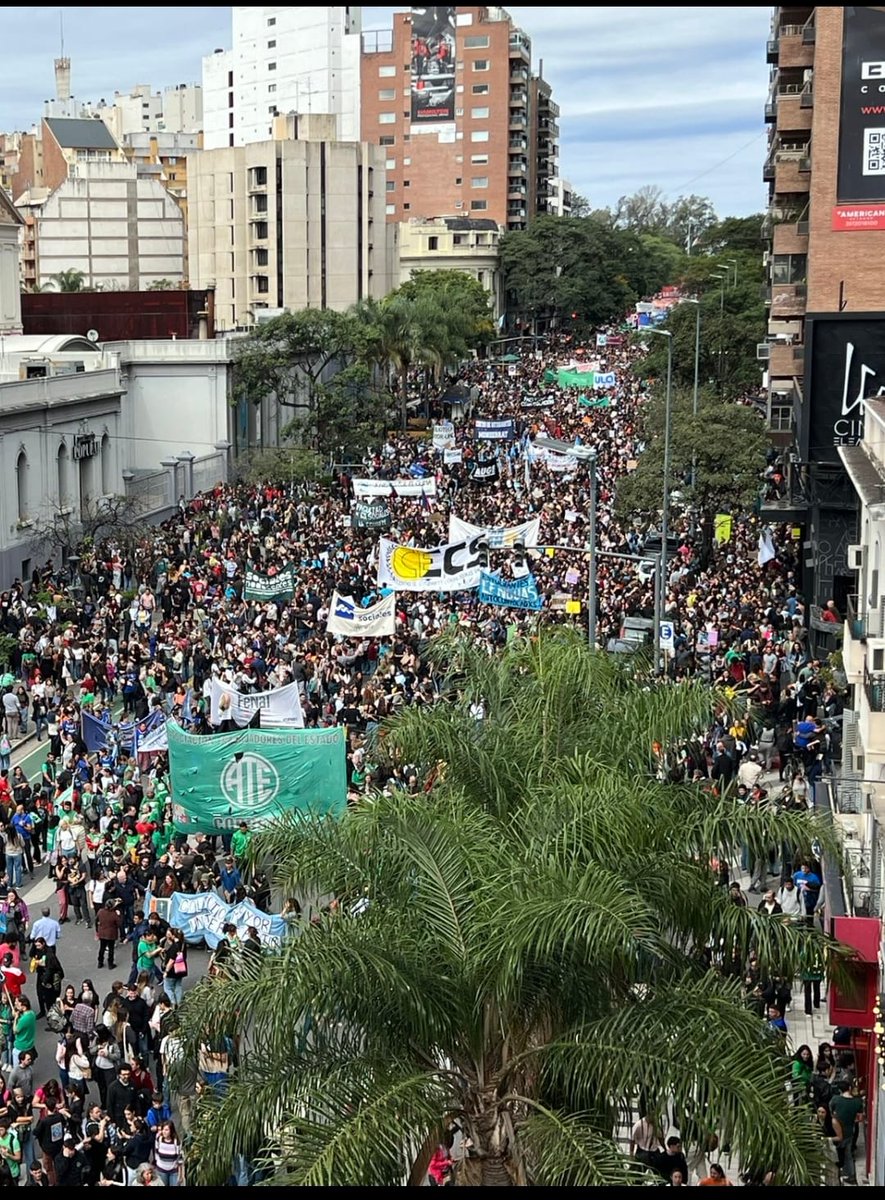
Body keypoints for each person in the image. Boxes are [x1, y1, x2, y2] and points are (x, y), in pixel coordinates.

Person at [829, 1079, 864, 1184]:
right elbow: (860, 1118)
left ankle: (843, 1172)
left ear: (840, 1090)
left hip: (836, 1129)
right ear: (849, 1088)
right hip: (849, 1131)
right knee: (847, 1153)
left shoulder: (835, 1100)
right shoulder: (857, 1102)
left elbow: (831, 1111)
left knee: (839, 1152)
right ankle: (849, 1174)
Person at [152, 1117, 183, 1186]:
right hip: (161, 1170)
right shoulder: (158, 1139)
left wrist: (180, 1174)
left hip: (173, 1171)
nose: (164, 1132)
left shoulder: (176, 1142)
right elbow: (156, 1152)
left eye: (166, 1130)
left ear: (171, 1131)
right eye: (163, 1129)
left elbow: (180, 1159)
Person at [96, 901, 122, 970]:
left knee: (102, 948)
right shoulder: (114, 914)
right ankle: (110, 964)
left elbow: (97, 921)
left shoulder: (100, 911)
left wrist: (97, 931)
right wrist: (119, 915)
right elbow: (119, 924)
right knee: (111, 949)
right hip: (111, 934)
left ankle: (100, 962)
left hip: (102, 933)